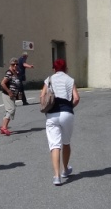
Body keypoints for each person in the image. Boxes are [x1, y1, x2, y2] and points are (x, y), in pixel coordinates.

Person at [42, 58, 79, 186]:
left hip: (52, 114)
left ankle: (57, 176)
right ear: (66, 68)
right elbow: (76, 98)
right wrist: (68, 109)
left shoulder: (49, 79)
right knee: (66, 143)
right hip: (67, 113)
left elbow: (42, 96)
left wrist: (45, 107)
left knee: (55, 145)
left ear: (54, 69)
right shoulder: (70, 80)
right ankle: (66, 169)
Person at [0, 58, 23, 135]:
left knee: (9, 110)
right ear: (10, 65)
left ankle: (3, 127)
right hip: (7, 95)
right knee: (11, 110)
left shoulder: (16, 72)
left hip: (13, 95)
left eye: (17, 64)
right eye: (13, 64)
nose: (15, 65)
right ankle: (4, 127)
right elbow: (3, 83)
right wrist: (9, 91)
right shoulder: (9, 73)